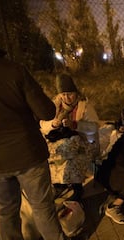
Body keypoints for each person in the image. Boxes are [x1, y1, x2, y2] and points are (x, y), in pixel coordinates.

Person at [0, 43, 79, 240]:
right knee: (41, 205)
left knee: (4, 210)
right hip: (26, 151)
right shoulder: (14, 70)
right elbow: (46, 112)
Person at [40, 73, 100, 201]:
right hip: (59, 140)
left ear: (76, 93)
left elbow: (94, 127)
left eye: (70, 94)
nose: (66, 97)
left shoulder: (84, 106)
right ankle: (58, 184)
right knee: (49, 152)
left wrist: (75, 124)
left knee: (71, 156)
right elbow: (42, 125)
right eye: (63, 94)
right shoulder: (54, 105)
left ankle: (77, 187)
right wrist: (53, 124)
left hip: (84, 142)